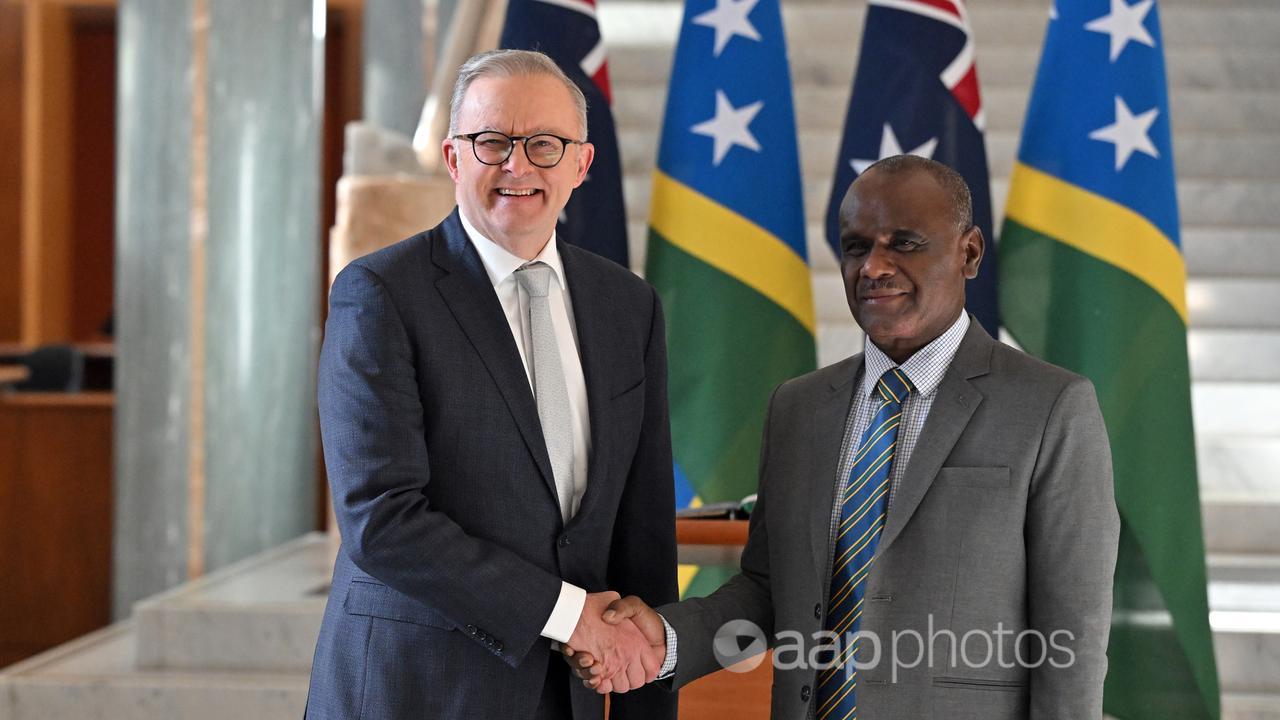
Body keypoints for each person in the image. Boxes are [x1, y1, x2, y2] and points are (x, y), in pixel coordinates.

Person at [569, 155, 1120, 719]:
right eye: (856, 247)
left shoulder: (1052, 407)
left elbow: (1071, 636)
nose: (874, 267)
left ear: (970, 252)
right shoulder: (798, 408)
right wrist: (665, 640)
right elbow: (767, 590)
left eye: (904, 243)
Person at [305, 49, 676, 720]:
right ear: (453, 158)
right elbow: (382, 520)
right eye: (492, 142)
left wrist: (647, 696)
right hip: (417, 691)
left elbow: (640, 529)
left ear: (581, 164)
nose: (518, 165)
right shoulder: (382, 294)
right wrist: (569, 616)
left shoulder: (629, 306)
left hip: (569, 697)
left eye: (543, 144)